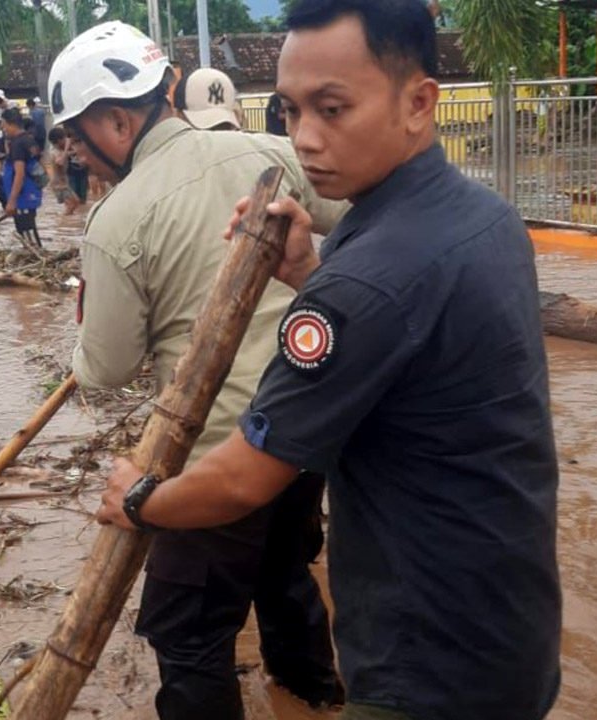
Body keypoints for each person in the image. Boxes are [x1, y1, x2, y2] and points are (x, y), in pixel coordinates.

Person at [93, 3, 562, 720]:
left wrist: (140, 499)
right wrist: (308, 268)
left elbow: (246, 477)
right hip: (512, 634)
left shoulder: (364, 281)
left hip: (425, 672)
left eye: (333, 109)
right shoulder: (485, 218)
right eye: (289, 111)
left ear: (418, 102)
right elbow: (405, 346)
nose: (305, 139)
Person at [51, 20, 347, 718]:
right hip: (308, 437)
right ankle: (316, 696)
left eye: (75, 135)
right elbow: (360, 219)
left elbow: (106, 371)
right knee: (285, 575)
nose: (74, 153)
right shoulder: (273, 153)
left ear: (117, 121)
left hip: (214, 459)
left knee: (188, 631)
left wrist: (86, 337)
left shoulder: (117, 220)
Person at [0, 107, 42, 249]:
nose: (3, 129)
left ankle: (36, 261)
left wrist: (11, 201)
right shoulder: (29, 140)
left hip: (23, 196)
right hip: (30, 192)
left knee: (29, 239)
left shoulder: (18, 144)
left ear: (11, 123)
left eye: (4, 125)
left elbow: (20, 174)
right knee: (27, 234)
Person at [47, 126, 79, 215]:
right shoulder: (55, 152)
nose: (66, 140)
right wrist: (66, 149)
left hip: (63, 183)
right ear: (58, 140)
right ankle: (62, 223)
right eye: (64, 138)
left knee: (75, 202)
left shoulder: (60, 150)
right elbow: (60, 162)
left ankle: (67, 222)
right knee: (71, 205)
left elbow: (72, 153)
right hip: (59, 185)